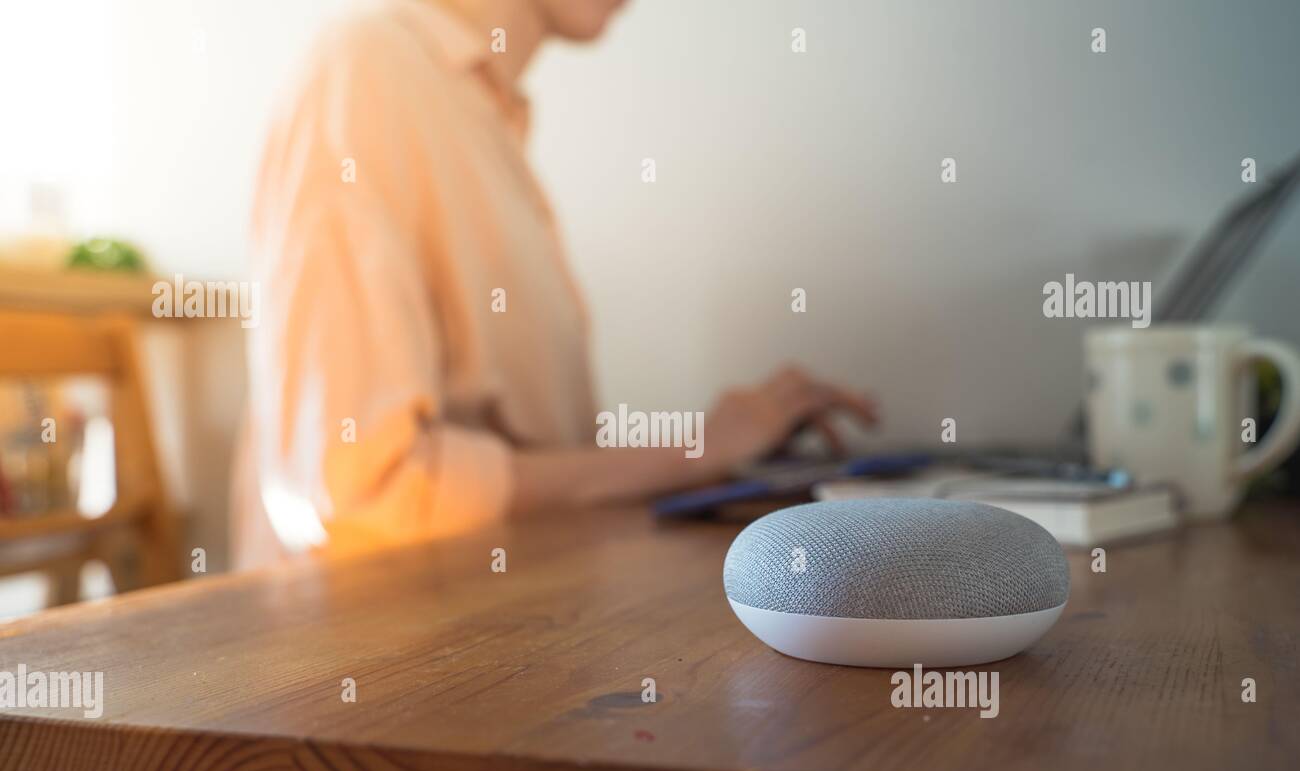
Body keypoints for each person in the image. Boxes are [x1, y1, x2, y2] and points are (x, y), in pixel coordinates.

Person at [232, 0, 876, 568]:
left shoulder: (483, 110)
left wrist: (725, 442)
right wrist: (689, 452)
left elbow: (533, 451)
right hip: (374, 668)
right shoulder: (366, 68)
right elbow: (356, 494)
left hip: (497, 625)